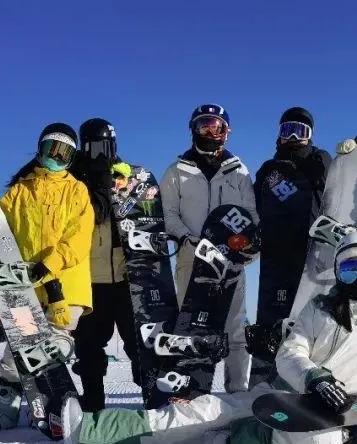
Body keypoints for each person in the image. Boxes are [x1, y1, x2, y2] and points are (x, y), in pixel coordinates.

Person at [59, 231, 357, 444]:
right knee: (198, 411)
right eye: (350, 268)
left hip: (333, 411)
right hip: (283, 394)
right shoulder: (318, 310)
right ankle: (94, 435)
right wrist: (315, 376)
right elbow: (291, 352)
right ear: (338, 273)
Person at [0, 122, 95, 433]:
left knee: (52, 347)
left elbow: (79, 239)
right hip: (24, 287)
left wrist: (49, 265)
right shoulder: (19, 191)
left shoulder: (77, 190)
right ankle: (7, 409)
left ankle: (55, 409)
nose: (55, 157)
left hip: (65, 286)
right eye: (50, 149)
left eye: (64, 152)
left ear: (72, 157)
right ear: (39, 150)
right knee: (16, 354)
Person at [160, 104, 258, 395]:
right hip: (192, 258)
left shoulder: (238, 170)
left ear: (227, 132)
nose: (210, 132)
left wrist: (244, 247)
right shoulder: (177, 170)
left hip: (230, 261)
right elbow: (168, 212)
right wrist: (186, 237)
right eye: (204, 125)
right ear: (193, 129)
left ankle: (237, 392)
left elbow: (250, 214)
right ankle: (191, 390)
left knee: (234, 327)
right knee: (191, 326)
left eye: (217, 126)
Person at [251, 106, 331, 388]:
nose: (294, 137)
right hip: (275, 257)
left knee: (306, 323)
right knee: (270, 322)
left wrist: (321, 169)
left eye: (301, 131)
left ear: (311, 136)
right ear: (279, 134)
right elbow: (253, 208)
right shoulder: (269, 170)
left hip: (311, 256)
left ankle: (308, 381)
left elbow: (336, 197)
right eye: (288, 130)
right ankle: (261, 384)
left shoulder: (321, 160)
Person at [67, 117, 141, 412]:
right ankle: (93, 402)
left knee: (138, 343)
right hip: (89, 280)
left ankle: (150, 394)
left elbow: (148, 217)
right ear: (83, 148)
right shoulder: (73, 183)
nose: (101, 155)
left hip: (125, 278)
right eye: (94, 148)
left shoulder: (127, 179)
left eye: (106, 147)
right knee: (89, 347)